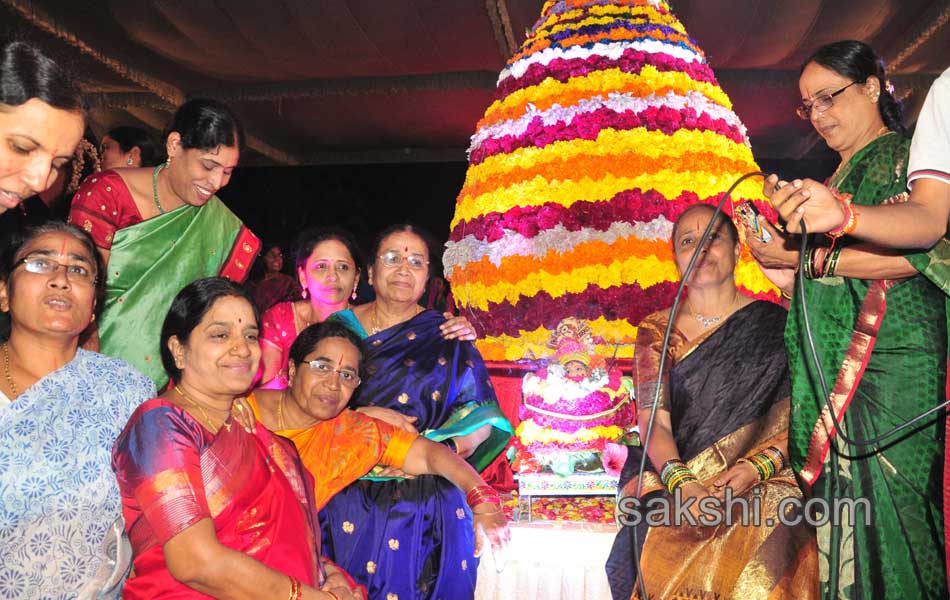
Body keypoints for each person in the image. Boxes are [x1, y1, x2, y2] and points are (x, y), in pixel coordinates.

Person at [751, 41, 947, 599]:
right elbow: (832, 286)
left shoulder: (906, 158)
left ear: (871, 87)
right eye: (808, 105)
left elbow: (922, 254)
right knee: (844, 528)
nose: (819, 115)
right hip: (840, 373)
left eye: (829, 97)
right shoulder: (834, 178)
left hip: (893, 368)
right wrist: (785, 274)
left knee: (898, 519)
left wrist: (808, 259)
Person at [605, 204, 818, 600]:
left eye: (713, 238)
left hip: (762, 477)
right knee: (652, 527)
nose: (701, 250)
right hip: (675, 475)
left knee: (779, 521)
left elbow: (807, 412)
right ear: (677, 260)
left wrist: (756, 469)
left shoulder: (776, 323)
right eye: (688, 242)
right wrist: (683, 483)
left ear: (738, 250)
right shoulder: (656, 331)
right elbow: (655, 422)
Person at [111, 277, 361, 600]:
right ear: (178, 349)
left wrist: (329, 575)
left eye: (251, 336)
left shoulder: (259, 435)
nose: (242, 349)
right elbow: (195, 562)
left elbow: (283, 540)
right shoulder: (161, 425)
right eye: (220, 335)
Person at [319, 224, 513, 600]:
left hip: (430, 495)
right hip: (345, 484)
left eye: (416, 261)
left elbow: (482, 422)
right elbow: (302, 407)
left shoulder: (449, 336)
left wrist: (435, 451)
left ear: (428, 278)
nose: (403, 269)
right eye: (392, 259)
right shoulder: (334, 332)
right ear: (370, 273)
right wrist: (364, 417)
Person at [248, 319, 509, 545]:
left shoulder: (355, 433)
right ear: (292, 371)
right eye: (322, 367)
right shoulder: (238, 414)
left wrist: (480, 496)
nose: (333, 383)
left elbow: (429, 454)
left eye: (347, 375)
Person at [0, 222, 155, 599]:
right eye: (39, 263)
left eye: (79, 270)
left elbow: (166, 515)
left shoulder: (129, 390)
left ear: (93, 305)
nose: (60, 279)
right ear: (3, 293)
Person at [69, 98, 261, 389]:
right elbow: (77, 290)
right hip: (87, 364)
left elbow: (208, 320)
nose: (217, 182)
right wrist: (93, 376)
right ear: (174, 145)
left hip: (172, 385)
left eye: (228, 171)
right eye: (209, 165)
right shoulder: (108, 194)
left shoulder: (223, 226)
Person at [259, 227, 476, 390]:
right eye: (321, 266)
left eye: (343, 267)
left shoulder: (366, 325)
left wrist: (455, 330)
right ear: (302, 276)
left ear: (358, 278)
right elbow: (261, 384)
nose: (332, 276)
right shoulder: (280, 318)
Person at [247, 242, 301, 312]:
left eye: (280, 255)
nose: (277, 259)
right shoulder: (251, 282)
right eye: (272, 255)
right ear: (263, 257)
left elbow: (295, 306)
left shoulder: (288, 283)